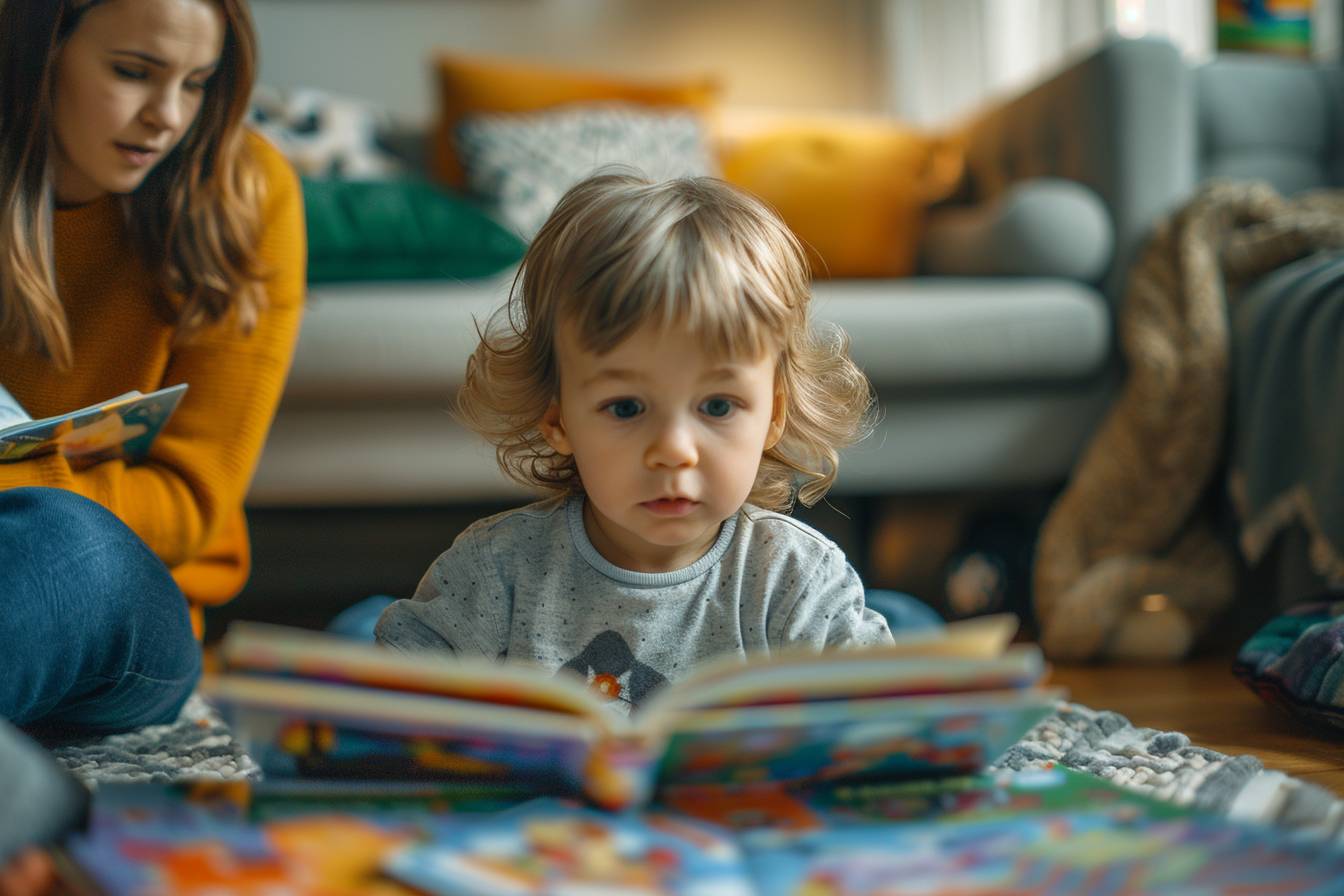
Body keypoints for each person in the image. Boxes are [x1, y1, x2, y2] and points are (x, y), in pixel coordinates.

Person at [376, 171, 938, 713]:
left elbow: (877, 734)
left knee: (911, 634)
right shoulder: (495, 572)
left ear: (773, 416)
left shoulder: (796, 578)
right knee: (365, 629)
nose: (674, 450)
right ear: (560, 423)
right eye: (626, 408)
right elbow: (386, 710)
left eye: (717, 406)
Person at [0, 0, 304, 732]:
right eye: (134, 73)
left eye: (197, 83)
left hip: (125, 609)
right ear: (41, 53)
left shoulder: (247, 192)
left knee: (60, 539)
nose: (168, 116)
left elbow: (189, 505)